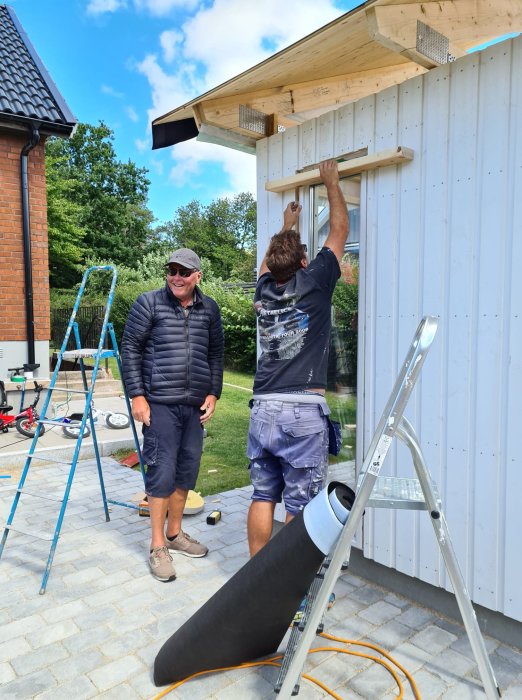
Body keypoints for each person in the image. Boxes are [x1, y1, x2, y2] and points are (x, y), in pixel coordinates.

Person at [247, 159, 349, 557]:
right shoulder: (316, 280)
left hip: (263, 407)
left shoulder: (263, 290)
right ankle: (287, 597)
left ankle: (253, 582)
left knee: (262, 495)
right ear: (305, 263)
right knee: (300, 505)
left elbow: (267, 263)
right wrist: (331, 182)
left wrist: (287, 226)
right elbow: (340, 228)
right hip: (301, 412)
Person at [121, 248, 224, 582]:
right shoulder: (148, 303)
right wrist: (137, 395)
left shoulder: (210, 309)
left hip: (193, 407)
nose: (177, 277)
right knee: (161, 474)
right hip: (160, 405)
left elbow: (216, 354)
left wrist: (213, 392)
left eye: (184, 272)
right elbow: (130, 350)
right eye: (172, 271)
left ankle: (175, 534)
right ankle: (156, 546)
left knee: (186, 472)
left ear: (198, 276)